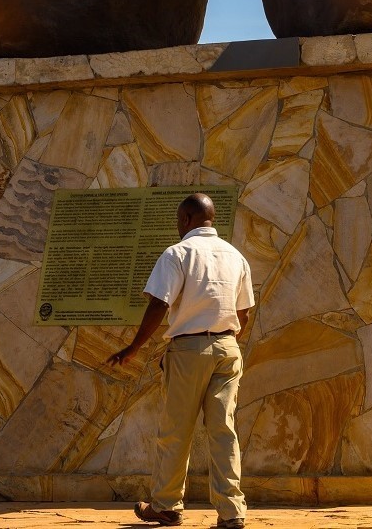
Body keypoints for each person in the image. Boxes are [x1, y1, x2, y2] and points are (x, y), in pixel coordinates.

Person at [108, 192, 255, 529]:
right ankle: (232, 512)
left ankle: (167, 505)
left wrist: (133, 348)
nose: (178, 225)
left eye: (179, 220)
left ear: (186, 219)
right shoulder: (236, 256)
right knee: (224, 431)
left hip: (189, 351)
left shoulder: (177, 253)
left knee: (176, 431)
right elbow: (244, 313)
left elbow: (159, 304)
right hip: (228, 348)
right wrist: (224, 341)